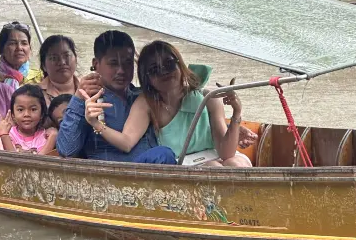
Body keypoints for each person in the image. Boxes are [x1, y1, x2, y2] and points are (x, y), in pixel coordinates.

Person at [84, 40, 252, 166]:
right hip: (185, 166)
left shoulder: (209, 99)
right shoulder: (147, 103)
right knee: (213, 168)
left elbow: (227, 152)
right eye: (155, 70)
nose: (164, 72)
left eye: (169, 64)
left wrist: (237, 112)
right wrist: (95, 123)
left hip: (220, 158)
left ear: (180, 65)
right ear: (147, 78)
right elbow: (126, 142)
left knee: (234, 164)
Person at [56, 30, 175, 164]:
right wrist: (78, 98)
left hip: (150, 172)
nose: (121, 71)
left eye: (127, 63)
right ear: (96, 64)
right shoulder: (88, 102)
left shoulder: (143, 96)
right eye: (113, 63)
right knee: (163, 154)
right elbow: (66, 151)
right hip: (111, 177)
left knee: (164, 154)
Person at [0, 85, 57, 154]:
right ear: (13, 114)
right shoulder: (8, 134)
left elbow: (39, 162)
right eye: (20, 110)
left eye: (33, 109)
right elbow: (12, 161)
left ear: (42, 114)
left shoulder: (45, 135)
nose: (26, 114)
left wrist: (52, 137)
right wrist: (4, 135)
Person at [0, 21, 43, 89]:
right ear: (1, 49)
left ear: (30, 49)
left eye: (24, 43)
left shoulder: (41, 78)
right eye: (12, 43)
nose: (19, 48)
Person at [39, 35, 79, 105]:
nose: (62, 62)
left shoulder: (89, 87)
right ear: (44, 66)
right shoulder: (35, 95)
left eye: (67, 56)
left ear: (76, 59)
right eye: (54, 58)